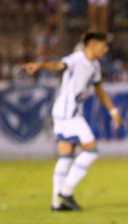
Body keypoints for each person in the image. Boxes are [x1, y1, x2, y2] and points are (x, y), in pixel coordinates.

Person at [23, 32, 122, 211]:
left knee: (66, 155)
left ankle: (56, 202)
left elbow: (99, 90)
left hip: (64, 112)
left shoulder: (95, 66)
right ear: (92, 44)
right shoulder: (77, 58)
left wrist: (113, 110)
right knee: (91, 151)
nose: (106, 49)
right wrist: (41, 65)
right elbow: (59, 65)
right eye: (104, 45)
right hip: (68, 113)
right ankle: (66, 192)